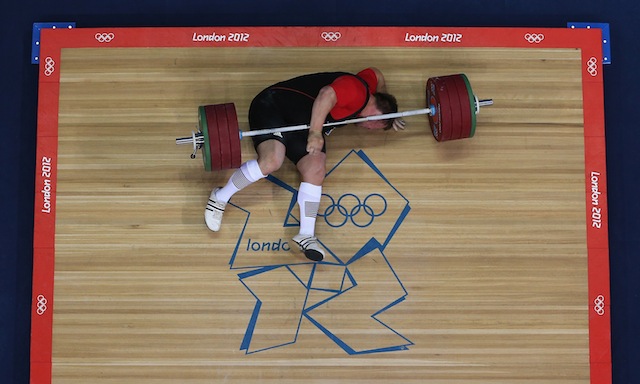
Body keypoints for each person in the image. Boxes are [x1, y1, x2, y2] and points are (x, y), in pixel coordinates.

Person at [204, 67, 405, 262]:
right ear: (376, 118)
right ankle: (219, 197)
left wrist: (390, 114)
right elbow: (327, 94)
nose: (370, 130)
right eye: (376, 127)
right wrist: (316, 133)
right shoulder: (358, 92)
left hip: (301, 124)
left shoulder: (370, 91)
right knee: (272, 161)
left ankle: (306, 235)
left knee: (316, 169)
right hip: (274, 106)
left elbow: (376, 73)